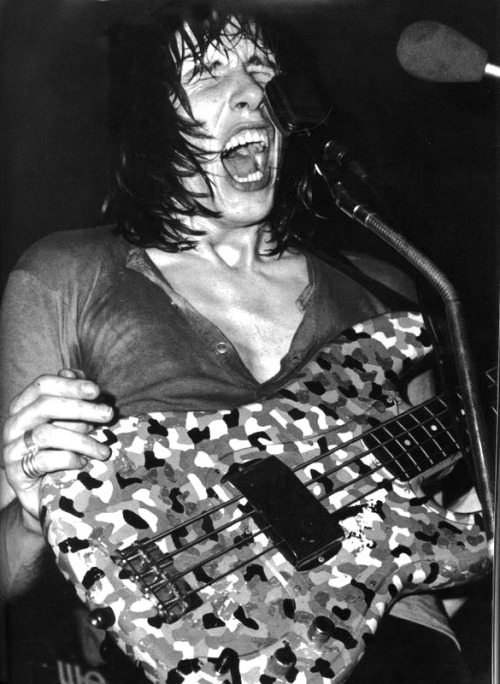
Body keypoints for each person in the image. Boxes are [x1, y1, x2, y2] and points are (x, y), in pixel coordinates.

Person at [0, 5, 482, 684]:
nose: (253, 90)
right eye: (207, 71)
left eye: (261, 68)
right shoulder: (67, 276)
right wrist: (30, 516)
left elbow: (417, 548)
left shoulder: (389, 290)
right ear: (149, 114)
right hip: (194, 659)